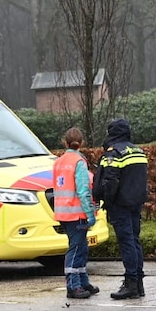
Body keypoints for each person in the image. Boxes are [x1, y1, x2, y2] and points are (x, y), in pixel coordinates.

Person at [93, 118, 149, 299]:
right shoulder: (139, 151)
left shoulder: (114, 153)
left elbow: (109, 181)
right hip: (136, 203)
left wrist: (107, 202)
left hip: (120, 205)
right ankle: (138, 283)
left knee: (127, 243)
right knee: (134, 240)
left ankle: (131, 283)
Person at [52, 127, 99, 299]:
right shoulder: (79, 162)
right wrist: (90, 213)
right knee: (76, 249)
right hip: (76, 213)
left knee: (81, 247)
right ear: (82, 143)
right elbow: (83, 190)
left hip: (63, 213)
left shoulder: (58, 162)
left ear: (65, 142)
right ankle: (73, 286)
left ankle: (82, 281)